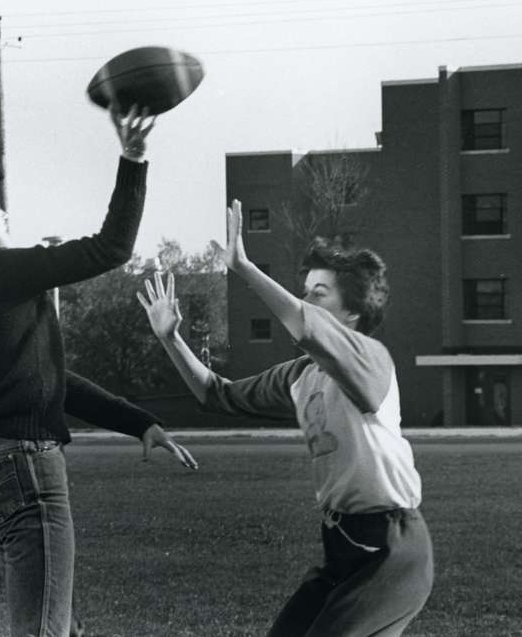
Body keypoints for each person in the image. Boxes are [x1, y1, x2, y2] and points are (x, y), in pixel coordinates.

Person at [0, 105, 198, 637]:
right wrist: (133, 157)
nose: (5, 215)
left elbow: (54, 386)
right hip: (29, 470)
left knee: (62, 627)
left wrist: (140, 423)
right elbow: (113, 247)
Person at [138, 199, 433, 637]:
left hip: (393, 550)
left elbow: (303, 324)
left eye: (319, 293)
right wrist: (170, 338)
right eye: (305, 289)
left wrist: (243, 267)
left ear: (351, 313)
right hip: (342, 545)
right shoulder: (300, 376)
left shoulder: (371, 359)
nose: (304, 300)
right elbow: (214, 394)